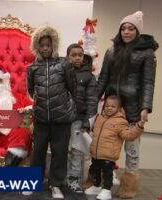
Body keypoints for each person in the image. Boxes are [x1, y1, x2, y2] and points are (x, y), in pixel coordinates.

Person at [96, 11, 159, 198]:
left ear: (137, 31)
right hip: (112, 107)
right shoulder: (111, 51)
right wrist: (93, 103)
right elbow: (103, 79)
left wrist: (145, 107)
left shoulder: (147, 53)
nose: (126, 32)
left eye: (131, 28)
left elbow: (148, 82)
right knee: (106, 147)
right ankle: (99, 180)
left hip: (133, 107)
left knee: (132, 150)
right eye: (123, 28)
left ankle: (129, 185)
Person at [27, 25, 77, 199]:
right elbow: (31, 90)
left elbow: (73, 87)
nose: (46, 48)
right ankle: (34, 183)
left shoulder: (64, 64)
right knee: (38, 152)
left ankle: (56, 185)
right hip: (41, 118)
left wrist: (66, 106)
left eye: (49, 45)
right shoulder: (33, 68)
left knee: (59, 152)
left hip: (61, 118)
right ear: (37, 47)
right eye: (42, 45)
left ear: (54, 45)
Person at [84, 95, 145, 200]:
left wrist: (139, 126)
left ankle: (106, 190)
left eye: (113, 106)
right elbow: (93, 130)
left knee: (107, 173)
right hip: (96, 154)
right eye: (107, 106)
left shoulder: (121, 122)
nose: (109, 108)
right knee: (94, 170)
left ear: (119, 108)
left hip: (109, 156)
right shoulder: (99, 118)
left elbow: (129, 135)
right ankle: (96, 186)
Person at [65, 44, 97, 193]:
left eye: (80, 55)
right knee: (62, 150)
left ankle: (74, 180)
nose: (77, 58)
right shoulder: (61, 72)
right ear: (68, 57)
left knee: (77, 150)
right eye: (74, 55)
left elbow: (92, 100)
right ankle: (61, 179)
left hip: (79, 119)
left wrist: (87, 121)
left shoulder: (89, 76)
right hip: (62, 120)